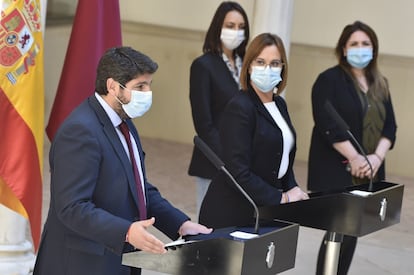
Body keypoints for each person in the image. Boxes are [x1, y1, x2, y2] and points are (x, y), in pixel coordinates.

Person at [33, 46, 212, 275]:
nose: (147, 93)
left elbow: (138, 188)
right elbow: (72, 207)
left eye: (149, 85)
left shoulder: (125, 124)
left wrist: (180, 225)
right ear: (112, 86)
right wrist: (126, 231)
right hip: (82, 264)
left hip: (119, 260)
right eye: (140, 86)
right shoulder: (80, 131)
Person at [307, 21, 397, 275]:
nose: (360, 49)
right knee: (337, 231)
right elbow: (326, 123)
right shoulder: (329, 80)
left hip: (370, 170)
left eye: (366, 44)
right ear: (344, 49)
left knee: (353, 231)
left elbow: (390, 127)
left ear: (374, 49)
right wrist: (357, 158)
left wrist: (376, 158)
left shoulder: (381, 83)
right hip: (337, 169)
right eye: (354, 44)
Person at [199, 33, 309, 229]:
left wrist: (292, 187)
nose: (268, 69)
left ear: (283, 68)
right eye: (260, 62)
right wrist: (281, 197)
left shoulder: (279, 105)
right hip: (233, 213)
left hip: (264, 211)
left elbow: (281, 156)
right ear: (249, 66)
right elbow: (238, 171)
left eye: (275, 63)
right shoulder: (240, 107)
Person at [188, 1, 250, 215]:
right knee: (210, 227)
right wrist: (229, 158)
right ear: (218, 27)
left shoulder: (248, 65)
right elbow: (204, 124)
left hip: (245, 162)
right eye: (230, 25)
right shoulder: (203, 66)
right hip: (215, 162)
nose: (236, 31)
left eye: (241, 27)